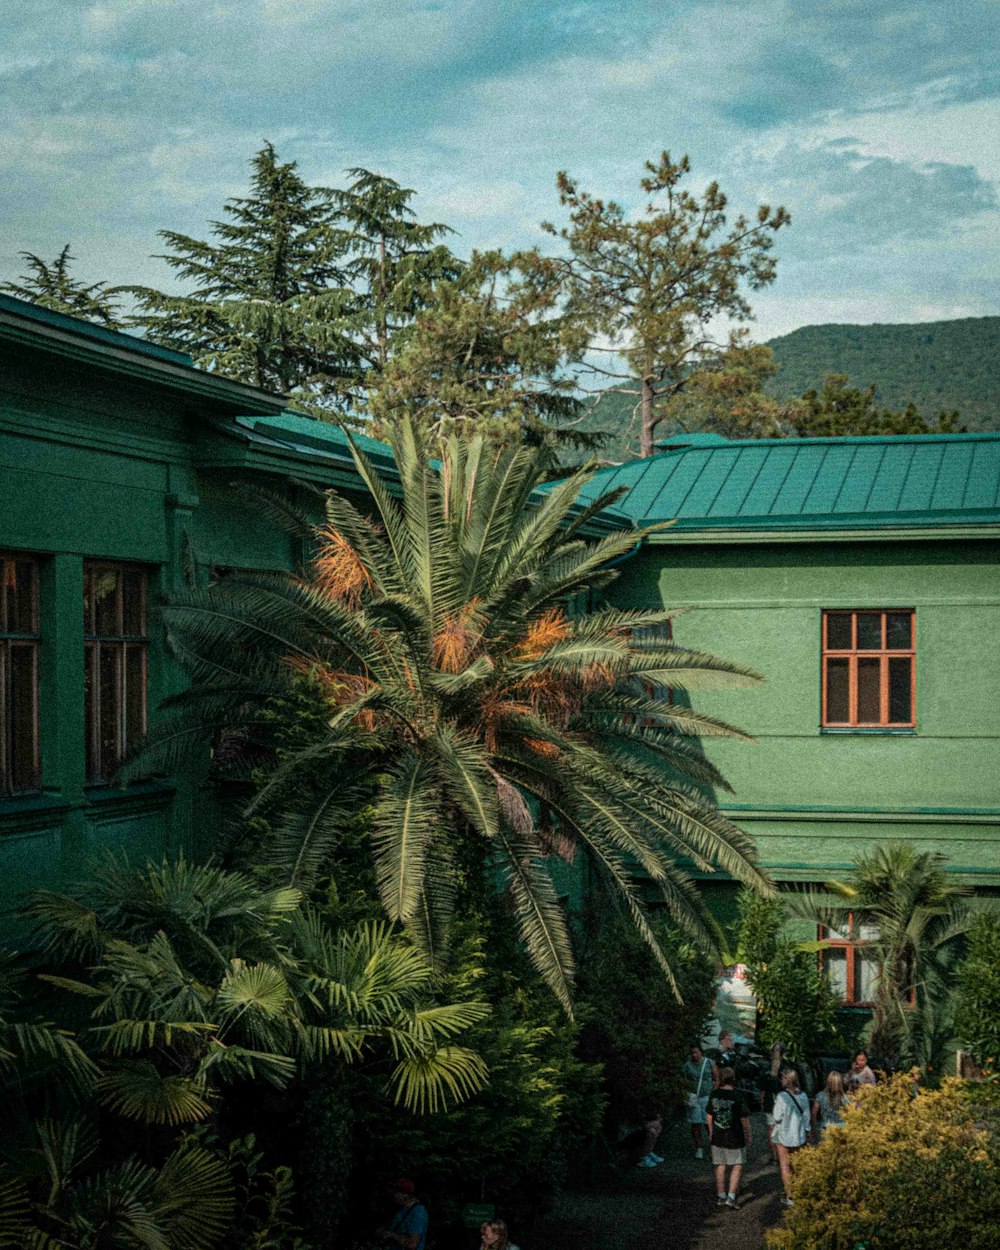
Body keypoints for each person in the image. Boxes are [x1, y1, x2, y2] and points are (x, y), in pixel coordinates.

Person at [706, 1066, 752, 1210]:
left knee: (720, 1165)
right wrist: (748, 1135)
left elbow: (709, 1115)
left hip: (718, 1135)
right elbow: (744, 1119)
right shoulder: (738, 1096)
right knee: (737, 1165)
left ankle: (721, 1195)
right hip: (735, 1135)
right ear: (734, 1079)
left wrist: (711, 1131)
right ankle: (731, 1197)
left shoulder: (714, 1094)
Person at [771, 1069, 810, 1207]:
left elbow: (776, 1116)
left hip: (784, 1134)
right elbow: (806, 1117)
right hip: (798, 1135)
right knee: (797, 1165)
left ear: (788, 1080)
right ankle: (799, 1192)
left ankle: (790, 1196)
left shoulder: (781, 1096)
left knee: (785, 1165)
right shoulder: (804, 1096)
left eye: (783, 1078)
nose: (781, 1080)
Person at [380, 1179, 429, 1250]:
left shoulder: (417, 1212)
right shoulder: (402, 1208)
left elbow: (412, 1244)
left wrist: (392, 1235)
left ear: (405, 1195)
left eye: (395, 1193)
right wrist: (383, 1230)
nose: (393, 1195)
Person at [684, 1044, 714, 1158]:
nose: (695, 1055)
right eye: (692, 1053)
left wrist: (713, 1093)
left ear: (701, 1052)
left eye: (697, 1052)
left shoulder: (709, 1062)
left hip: (706, 1096)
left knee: (708, 1123)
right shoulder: (687, 1065)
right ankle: (699, 1148)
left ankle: (714, 1146)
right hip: (693, 1097)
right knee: (695, 1123)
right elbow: (683, 1079)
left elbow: (716, 1078)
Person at [812, 1071, 845, 1141]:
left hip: (825, 1128)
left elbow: (813, 1113)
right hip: (841, 1129)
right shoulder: (844, 1097)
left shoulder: (820, 1096)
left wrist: (815, 1128)